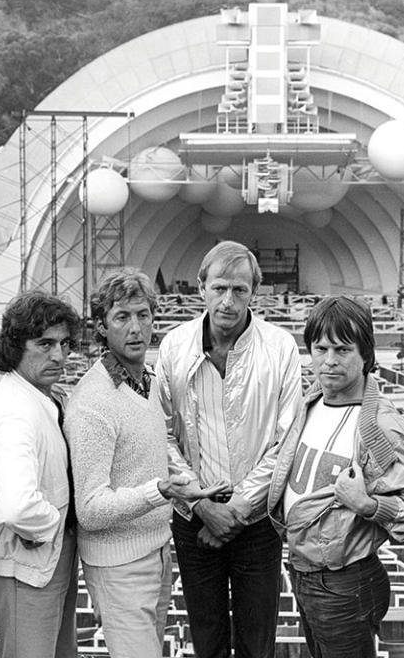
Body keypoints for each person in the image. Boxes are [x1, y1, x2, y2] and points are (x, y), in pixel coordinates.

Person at [268, 296, 404, 658]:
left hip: (345, 583)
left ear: (366, 355)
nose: (329, 361)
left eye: (343, 349)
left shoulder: (379, 426)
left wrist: (368, 505)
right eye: (321, 348)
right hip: (306, 575)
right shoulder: (310, 403)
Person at [64, 267, 223, 658]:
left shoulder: (146, 382)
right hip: (119, 567)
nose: (135, 328)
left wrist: (186, 488)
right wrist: (159, 491)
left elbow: (156, 452)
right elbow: (90, 510)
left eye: (143, 315)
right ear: (101, 327)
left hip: (155, 552)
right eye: (122, 318)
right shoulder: (93, 403)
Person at [156, 241, 303, 658]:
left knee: (258, 639)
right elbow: (161, 435)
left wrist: (236, 509)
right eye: (219, 287)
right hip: (194, 518)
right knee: (207, 635)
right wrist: (203, 506)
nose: (228, 300)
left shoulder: (279, 349)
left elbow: (286, 438)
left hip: (256, 521)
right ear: (201, 287)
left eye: (239, 290)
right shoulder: (173, 347)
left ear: (254, 292)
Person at [0, 292, 81, 658]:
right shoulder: (17, 409)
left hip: (43, 560)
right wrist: (54, 525)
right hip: (25, 562)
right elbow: (17, 507)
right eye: (44, 343)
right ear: (16, 345)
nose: (58, 355)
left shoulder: (39, 397)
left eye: (64, 344)